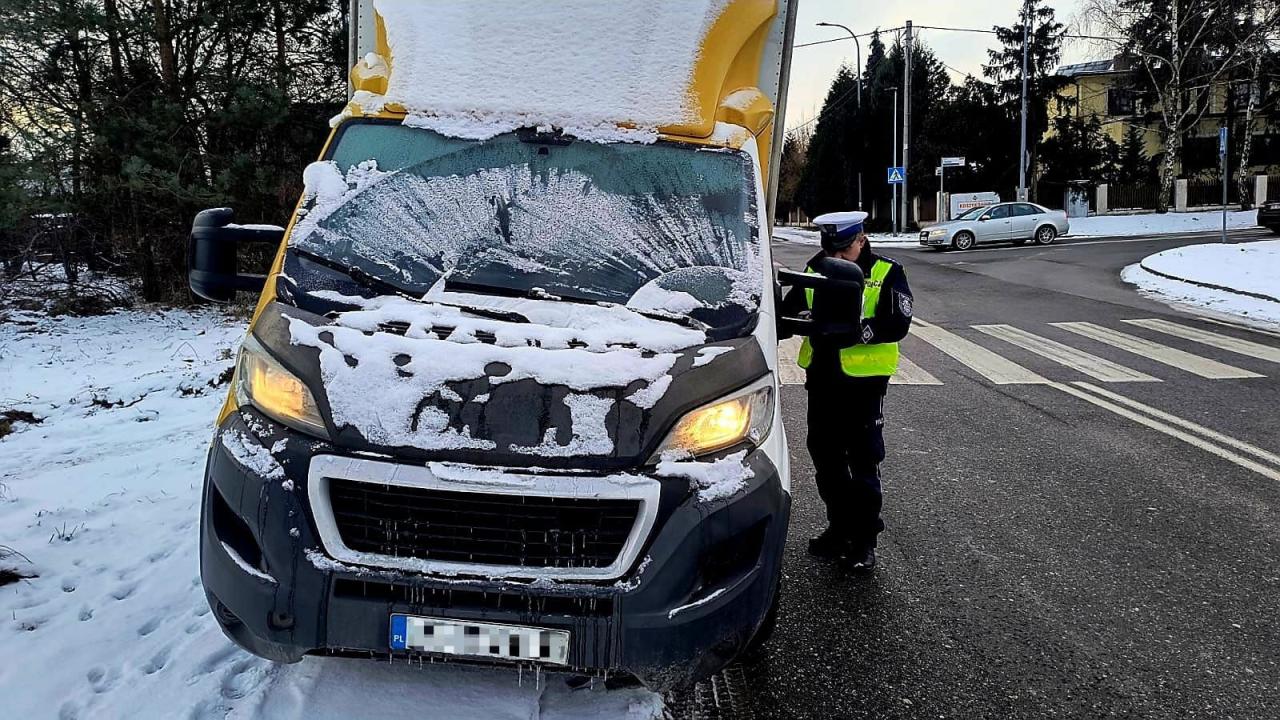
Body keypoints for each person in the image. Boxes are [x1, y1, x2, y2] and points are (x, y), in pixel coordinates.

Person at [779, 211, 913, 572]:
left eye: (844, 249)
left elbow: (897, 322)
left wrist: (853, 331)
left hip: (863, 382)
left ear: (861, 240)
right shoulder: (816, 267)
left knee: (862, 460)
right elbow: (791, 310)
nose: (837, 259)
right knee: (826, 457)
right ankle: (838, 529)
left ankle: (864, 540)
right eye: (831, 251)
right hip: (823, 377)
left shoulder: (886, 271)